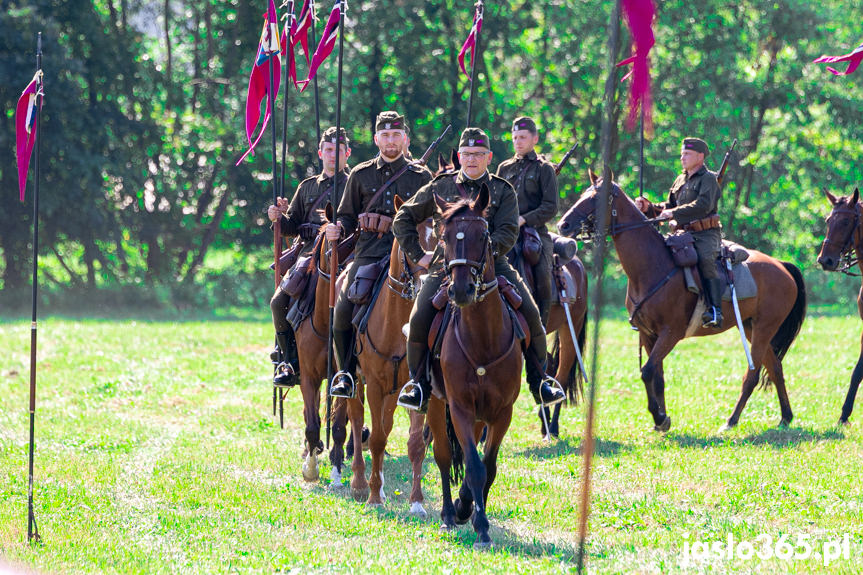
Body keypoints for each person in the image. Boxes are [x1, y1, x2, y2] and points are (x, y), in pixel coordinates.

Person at [393, 127, 566, 413]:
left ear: (489, 157)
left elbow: (509, 231)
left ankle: (539, 381)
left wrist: (483, 256)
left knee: (533, 315)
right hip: (445, 267)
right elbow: (403, 218)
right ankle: (419, 386)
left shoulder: (502, 189)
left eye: (478, 155)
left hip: (492, 265)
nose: (472, 160)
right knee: (419, 317)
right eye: (467, 154)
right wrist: (418, 255)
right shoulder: (440, 186)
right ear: (459, 157)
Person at [326, 111, 432, 398]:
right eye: (385, 135)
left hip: (410, 255)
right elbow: (346, 217)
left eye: (396, 135)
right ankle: (346, 373)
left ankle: (432, 375)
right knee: (344, 307)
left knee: (438, 306)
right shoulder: (360, 174)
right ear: (376, 139)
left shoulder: (421, 176)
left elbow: (431, 219)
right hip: (369, 254)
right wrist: (338, 228)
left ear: (405, 139)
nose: (391, 141)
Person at [266, 127, 351, 386]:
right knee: (278, 302)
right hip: (308, 256)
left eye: (337, 151)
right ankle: (289, 361)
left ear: (347, 153)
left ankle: (354, 363)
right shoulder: (307, 187)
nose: (332, 155)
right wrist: (278, 217)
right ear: (320, 153)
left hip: (345, 254)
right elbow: (292, 225)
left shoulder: (354, 183)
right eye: (327, 150)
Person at [635, 137, 724, 328]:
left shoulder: (709, 179)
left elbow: (703, 205)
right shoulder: (680, 179)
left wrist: (673, 213)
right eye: (682, 153)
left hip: (705, 234)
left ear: (700, 157)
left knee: (705, 259)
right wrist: (649, 207)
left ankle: (715, 309)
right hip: (682, 234)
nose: (682, 157)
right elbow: (669, 205)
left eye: (687, 154)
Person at [495, 116, 558, 327]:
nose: (517, 142)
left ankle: (540, 326)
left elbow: (551, 206)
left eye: (522, 137)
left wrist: (523, 219)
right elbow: (495, 202)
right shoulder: (504, 168)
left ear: (535, 139)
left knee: (542, 277)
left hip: (535, 234)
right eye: (514, 137)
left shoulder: (544, 169)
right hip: (506, 233)